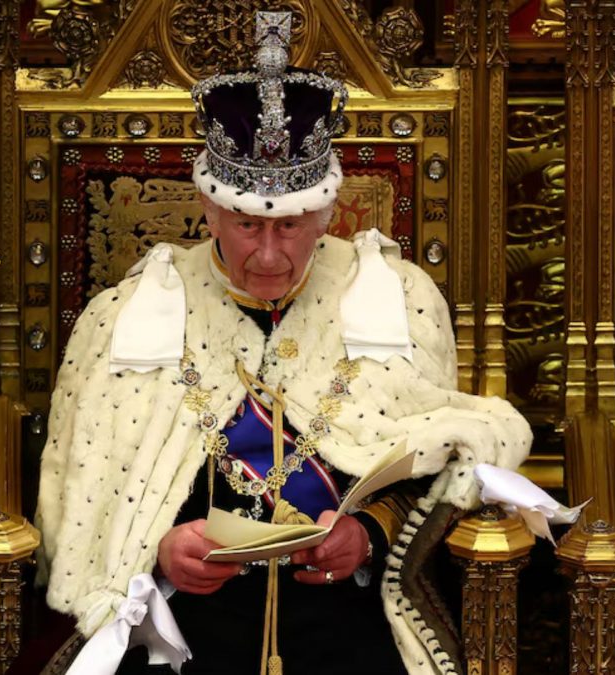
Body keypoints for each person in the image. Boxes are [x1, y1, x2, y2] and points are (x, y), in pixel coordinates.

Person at [34, 12, 531, 675]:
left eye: (293, 226)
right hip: (179, 627)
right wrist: (157, 549)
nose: (270, 254)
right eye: (246, 226)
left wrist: (370, 534)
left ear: (328, 212)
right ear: (208, 209)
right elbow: (89, 494)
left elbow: (439, 462)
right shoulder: (126, 314)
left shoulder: (399, 300)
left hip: (348, 623)